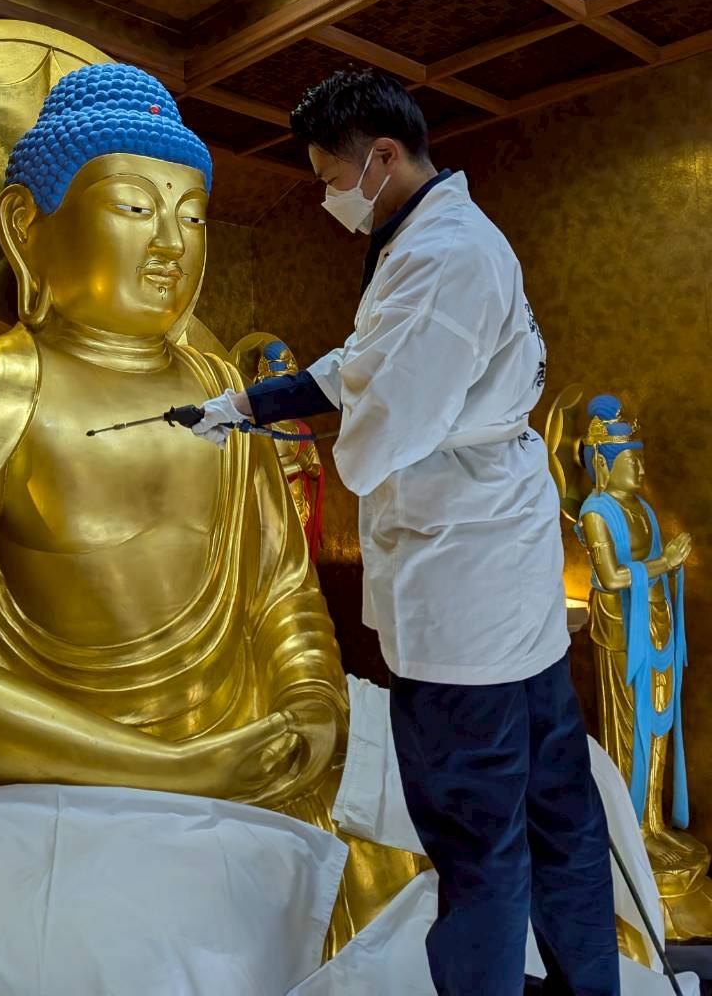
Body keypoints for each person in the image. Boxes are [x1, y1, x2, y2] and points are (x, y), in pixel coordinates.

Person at [192, 68, 620, 996]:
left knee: (479, 838)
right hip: (503, 579)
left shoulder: (443, 256)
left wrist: (292, 432)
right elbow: (367, 358)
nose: (326, 198)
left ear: (383, 157)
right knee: (557, 805)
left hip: (463, 593)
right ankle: (588, 982)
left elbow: (383, 430)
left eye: (330, 177)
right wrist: (247, 401)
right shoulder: (428, 239)